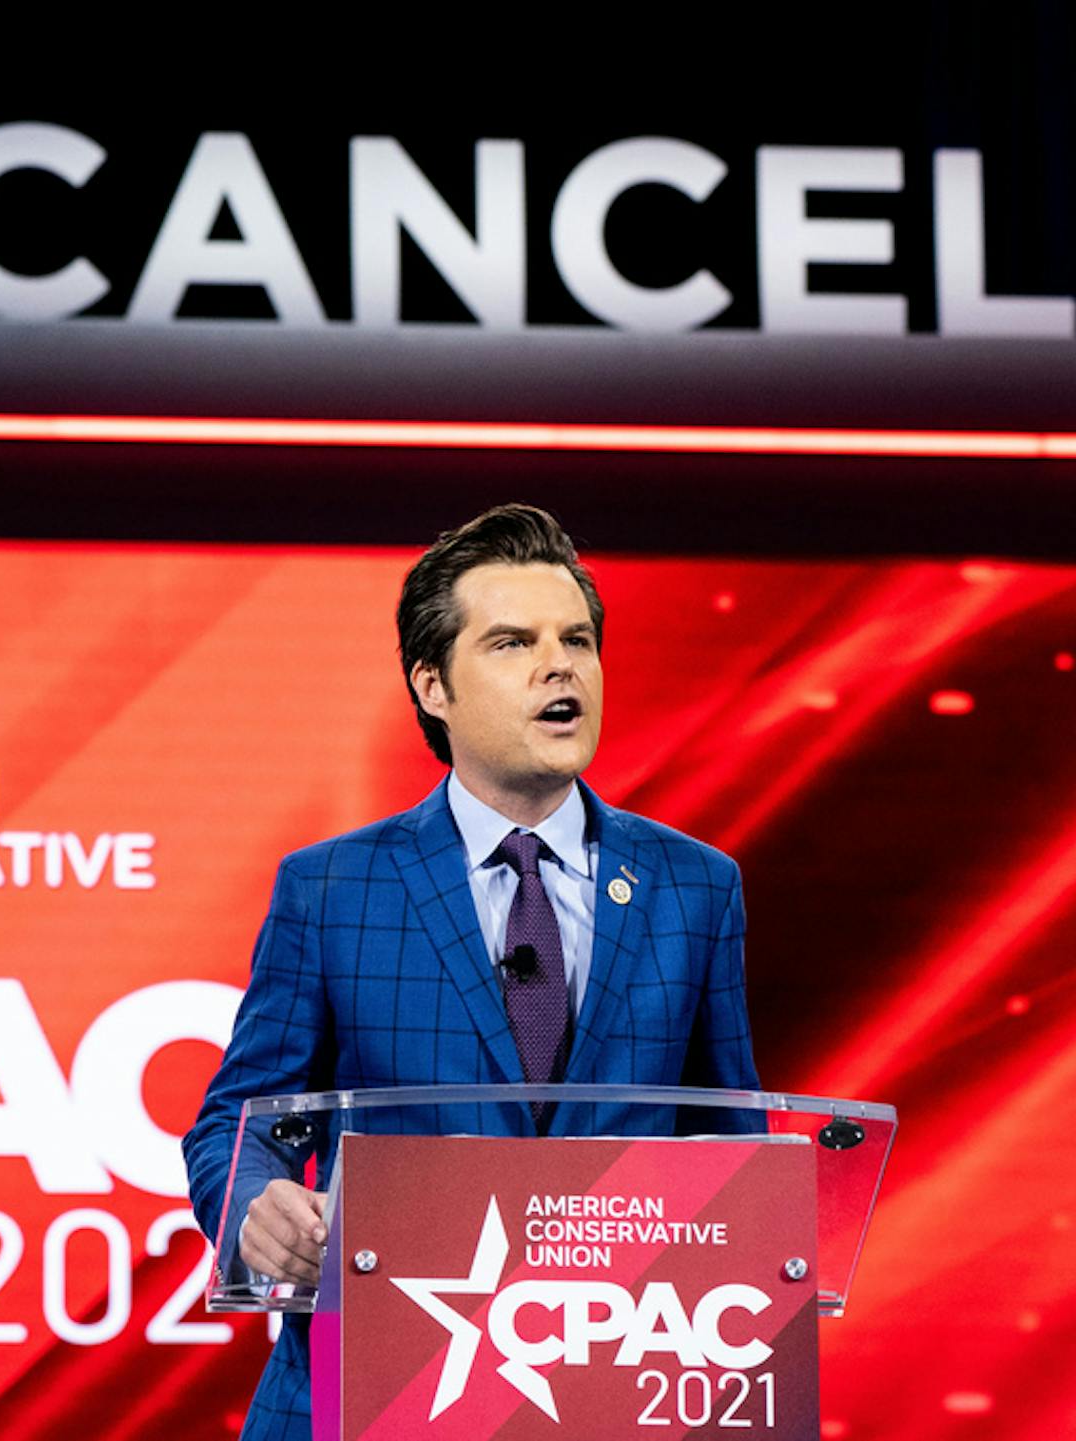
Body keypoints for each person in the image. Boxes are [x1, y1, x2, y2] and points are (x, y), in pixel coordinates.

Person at [182, 503, 760, 1440]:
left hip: (613, 1393)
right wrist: (257, 1205)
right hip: (370, 1392)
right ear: (432, 684)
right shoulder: (332, 887)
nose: (559, 664)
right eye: (511, 642)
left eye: (577, 638)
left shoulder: (694, 886)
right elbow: (240, 1118)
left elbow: (729, 1145)